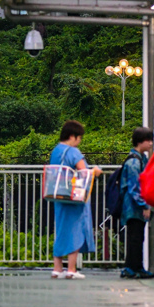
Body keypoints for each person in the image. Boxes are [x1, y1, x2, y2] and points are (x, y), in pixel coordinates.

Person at [49, 120, 102, 279]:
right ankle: (71, 269)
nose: (79, 142)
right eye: (79, 138)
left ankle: (57, 268)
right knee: (76, 230)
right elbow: (83, 172)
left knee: (61, 230)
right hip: (74, 197)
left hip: (58, 195)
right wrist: (95, 171)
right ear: (72, 136)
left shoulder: (56, 151)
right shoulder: (73, 152)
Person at [119, 126, 154, 279]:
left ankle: (135, 266)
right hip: (133, 207)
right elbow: (134, 188)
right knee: (135, 237)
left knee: (137, 237)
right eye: (149, 140)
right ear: (141, 142)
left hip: (133, 206)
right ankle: (132, 267)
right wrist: (144, 205)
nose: (151, 143)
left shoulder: (138, 158)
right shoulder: (135, 162)